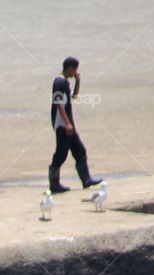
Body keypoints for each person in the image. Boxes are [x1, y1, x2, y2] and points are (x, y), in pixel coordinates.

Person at [49, 57, 102, 194]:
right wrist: (67, 123)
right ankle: (54, 184)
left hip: (68, 124)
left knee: (79, 150)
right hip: (62, 125)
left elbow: (74, 96)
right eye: (75, 70)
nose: (75, 73)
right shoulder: (59, 82)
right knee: (61, 154)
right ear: (70, 68)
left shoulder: (66, 82)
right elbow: (58, 103)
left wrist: (78, 81)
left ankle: (86, 179)